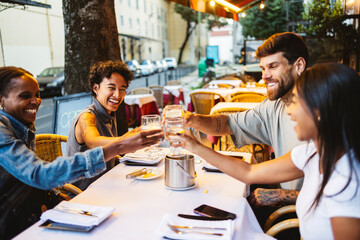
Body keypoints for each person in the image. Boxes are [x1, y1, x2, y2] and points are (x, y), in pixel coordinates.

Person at [181, 63, 360, 239]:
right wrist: (196, 147)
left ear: (321, 111)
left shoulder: (347, 183)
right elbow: (249, 172)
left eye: (294, 102)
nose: (288, 111)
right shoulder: (313, 152)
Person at [0, 66, 162, 239]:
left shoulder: (21, 124)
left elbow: (28, 176)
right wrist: (120, 145)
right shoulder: (87, 117)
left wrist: (55, 197)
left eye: (37, 95)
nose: (36, 101)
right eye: (25, 96)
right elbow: (39, 174)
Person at [185, 32, 308, 205]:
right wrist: (191, 119)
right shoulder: (274, 106)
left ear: (299, 65)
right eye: (263, 68)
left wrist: (280, 195)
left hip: (295, 217)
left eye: (273, 66)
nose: (264, 76)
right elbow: (228, 124)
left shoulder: (320, 116)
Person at [66, 60, 154, 190]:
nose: (117, 95)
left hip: (107, 185)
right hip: (83, 194)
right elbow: (93, 142)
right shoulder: (87, 117)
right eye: (111, 88)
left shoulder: (109, 113)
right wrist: (128, 140)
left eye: (122, 89)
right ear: (96, 88)